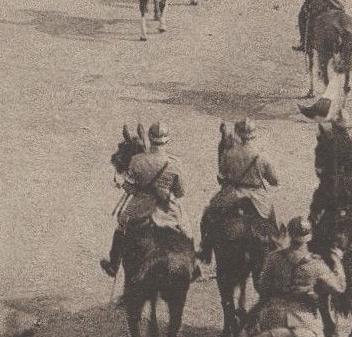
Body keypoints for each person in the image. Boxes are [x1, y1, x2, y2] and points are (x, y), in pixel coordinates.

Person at [100, 122, 187, 278]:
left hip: (139, 208)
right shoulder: (175, 162)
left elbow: (130, 187)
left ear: (150, 138)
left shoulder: (137, 160)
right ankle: (192, 269)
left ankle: (114, 265)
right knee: (185, 228)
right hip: (166, 207)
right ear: (167, 140)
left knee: (121, 225)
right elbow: (180, 192)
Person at [196, 119, 279, 264]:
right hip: (258, 198)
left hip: (232, 193)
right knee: (271, 222)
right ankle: (276, 251)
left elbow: (221, 176)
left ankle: (205, 251)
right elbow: (275, 181)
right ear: (254, 135)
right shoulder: (262, 156)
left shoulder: (229, 153)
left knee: (208, 215)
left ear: (238, 134)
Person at [257, 217, 344, 305]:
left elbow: (262, 287)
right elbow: (339, 287)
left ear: (289, 233)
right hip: (301, 313)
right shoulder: (316, 264)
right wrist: (337, 260)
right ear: (309, 236)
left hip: (275, 310)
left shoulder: (274, 257)